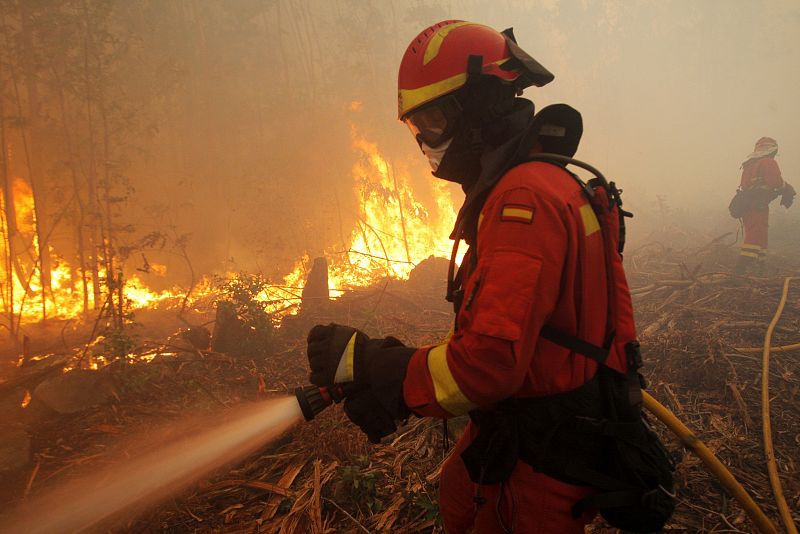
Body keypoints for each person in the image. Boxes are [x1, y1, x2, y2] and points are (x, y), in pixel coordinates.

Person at [306, 21, 670, 533]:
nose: (426, 139)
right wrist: (389, 369)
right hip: (541, 422)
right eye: (418, 126)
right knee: (459, 493)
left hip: (537, 457)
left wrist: (384, 370)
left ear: (477, 105)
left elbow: (488, 367)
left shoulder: (523, 203)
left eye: (433, 120)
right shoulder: (546, 181)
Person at [734, 137, 795, 275]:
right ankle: (741, 268)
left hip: (748, 205)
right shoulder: (768, 162)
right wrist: (787, 188)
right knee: (756, 234)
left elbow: (746, 185)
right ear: (771, 149)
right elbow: (775, 181)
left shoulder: (749, 164)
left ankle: (759, 267)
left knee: (759, 233)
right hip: (757, 205)